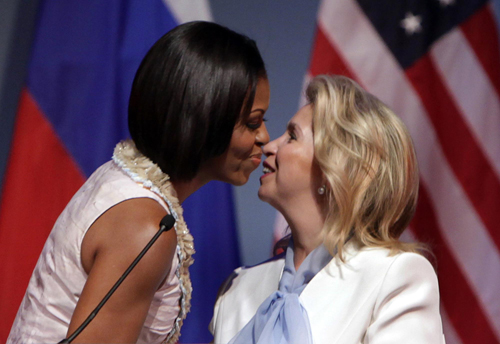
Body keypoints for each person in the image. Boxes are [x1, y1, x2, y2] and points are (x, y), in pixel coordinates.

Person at [7, 21, 270, 344]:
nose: (265, 138)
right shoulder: (144, 226)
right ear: (205, 118)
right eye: (253, 122)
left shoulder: (123, 182)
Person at [211, 75, 445, 344]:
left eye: (292, 137)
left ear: (335, 169)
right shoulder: (238, 288)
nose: (269, 146)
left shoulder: (394, 276)